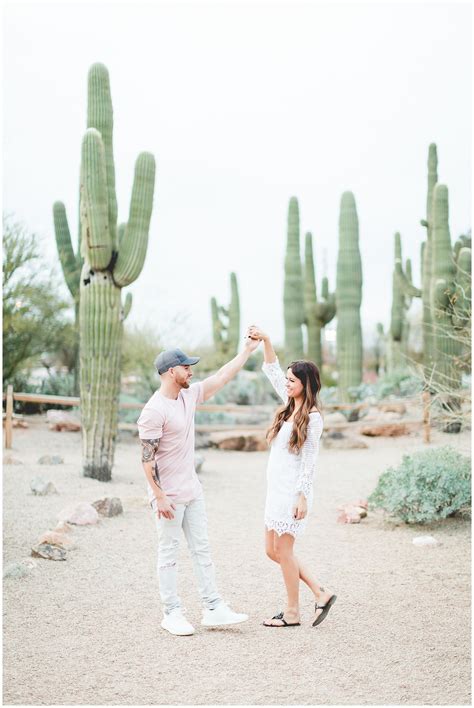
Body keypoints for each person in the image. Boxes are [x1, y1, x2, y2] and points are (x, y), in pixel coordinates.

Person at [137, 336, 260, 636]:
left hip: (193, 491)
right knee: (169, 553)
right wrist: (159, 496)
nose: (191, 371)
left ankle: (213, 607)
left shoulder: (188, 396)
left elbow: (221, 376)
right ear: (170, 372)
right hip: (169, 497)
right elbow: (146, 459)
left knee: (202, 550)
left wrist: (245, 350)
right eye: (185, 367)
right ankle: (172, 613)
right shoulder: (154, 411)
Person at [248, 325, 336, 628]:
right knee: (271, 551)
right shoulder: (288, 409)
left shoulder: (312, 418)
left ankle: (293, 611)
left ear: (305, 384)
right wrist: (268, 340)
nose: (286, 383)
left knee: (283, 551)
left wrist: (302, 495)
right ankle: (320, 591)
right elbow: (270, 368)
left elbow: (310, 461)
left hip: (293, 493)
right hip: (276, 489)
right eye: (286, 379)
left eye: (292, 380)